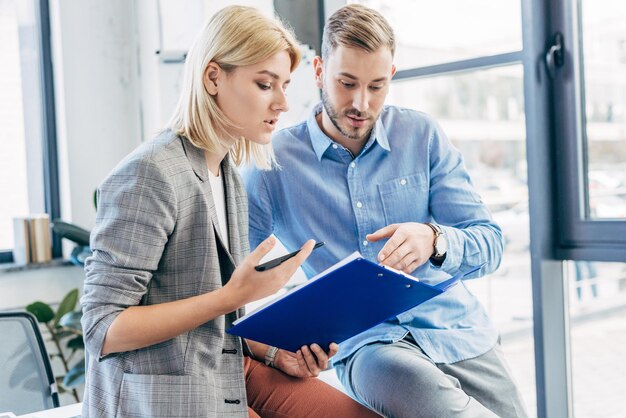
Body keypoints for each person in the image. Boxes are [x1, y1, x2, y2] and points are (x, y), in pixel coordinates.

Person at [81, 6, 380, 418]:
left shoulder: (228, 175)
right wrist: (230, 297)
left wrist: (275, 354)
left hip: (226, 367)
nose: (281, 103)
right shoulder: (150, 174)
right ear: (213, 77)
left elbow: (218, 324)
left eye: (285, 86)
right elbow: (103, 329)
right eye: (264, 84)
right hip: (169, 388)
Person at [244, 4, 528, 418]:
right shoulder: (273, 161)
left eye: (376, 86)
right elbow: (235, 277)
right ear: (319, 71)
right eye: (347, 84)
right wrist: (278, 343)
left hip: (459, 330)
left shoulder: (422, 135)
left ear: (391, 77)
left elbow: (490, 242)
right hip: (369, 347)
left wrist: (435, 239)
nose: (361, 103)